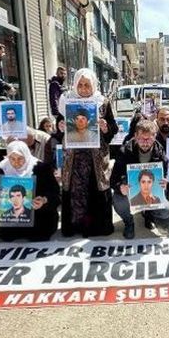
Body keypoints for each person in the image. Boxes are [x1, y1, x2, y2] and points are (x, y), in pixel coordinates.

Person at [57, 68, 118, 237]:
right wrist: (60, 126)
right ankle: (76, 227)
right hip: (74, 159)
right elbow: (59, 127)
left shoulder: (102, 103)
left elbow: (113, 128)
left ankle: (97, 228)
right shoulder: (67, 101)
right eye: (81, 85)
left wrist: (106, 128)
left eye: (87, 85)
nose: (84, 89)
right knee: (76, 191)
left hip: (95, 158)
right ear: (75, 85)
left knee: (95, 188)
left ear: (94, 85)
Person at [0, 141, 59, 241]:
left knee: (38, 235)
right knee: (7, 236)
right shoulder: (3, 169)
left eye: (20, 158)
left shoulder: (40, 168)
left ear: (26, 155)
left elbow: (55, 192)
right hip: (12, 220)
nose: (16, 162)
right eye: (12, 159)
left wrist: (44, 200)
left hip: (39, 217)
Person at [110, 120, 169, 238]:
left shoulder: (160, 151)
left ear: (155, 137)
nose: (145, 142)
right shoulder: (124, 151)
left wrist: (165, 180)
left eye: (149, 139)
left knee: (166, 211)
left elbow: (166, 172)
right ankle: (129, 222)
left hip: (151, 189)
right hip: (131, 188)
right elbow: (113, 179)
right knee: (118, 200)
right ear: (135, 137)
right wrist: (120, 187)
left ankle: (149, 216)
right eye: (142, 139)